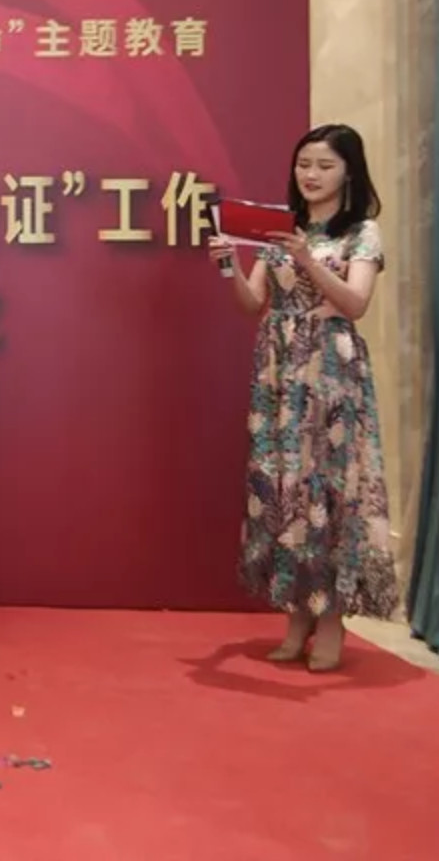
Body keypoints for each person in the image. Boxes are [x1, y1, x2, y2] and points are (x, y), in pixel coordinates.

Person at [207, 123, 400, 671]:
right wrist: (228, 264)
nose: (311, 175)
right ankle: (298, 612)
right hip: (279, 372)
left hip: (332, 370)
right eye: (304, 164)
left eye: (324, 165)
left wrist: (309, 259)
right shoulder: (280, 225)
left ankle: (332, 616)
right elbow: (253, 305)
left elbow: (356, 303)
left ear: (349, 172)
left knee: (330, 489)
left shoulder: (361, 232)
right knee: (286, 487)